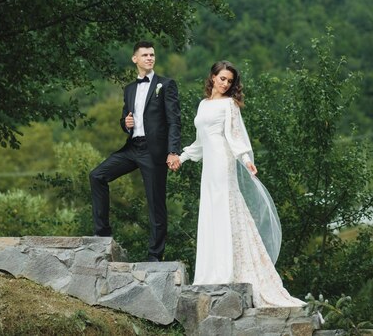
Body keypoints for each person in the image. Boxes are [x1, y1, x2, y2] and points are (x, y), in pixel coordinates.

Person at [172, 60, 304, 307]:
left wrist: (246, 160)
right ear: (212, 77)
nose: (225, 83)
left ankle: (225, 271)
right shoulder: (203, 105)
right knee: (211, 211)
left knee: (224, 209)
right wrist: (181, 157)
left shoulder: (229, 105)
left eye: (229, 81)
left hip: (223, 162)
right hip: (208, 167)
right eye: (222, 78)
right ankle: (209, 271)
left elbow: (235, 137)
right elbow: (200, 142)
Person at [89, 41, 181, 262]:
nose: (150, 58)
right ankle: (102, 234)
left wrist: (173, 151)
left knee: (155, 202)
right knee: (97, 175)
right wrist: (126, 123)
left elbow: (174, 121)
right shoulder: (129, 89)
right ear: (135, 59)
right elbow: (125, 119)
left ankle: (155, 255)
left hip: (154, 151)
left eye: (152, 54)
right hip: (132, 148)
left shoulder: (166, 84)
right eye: (145, 55)